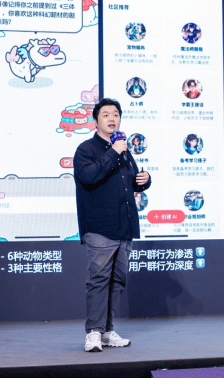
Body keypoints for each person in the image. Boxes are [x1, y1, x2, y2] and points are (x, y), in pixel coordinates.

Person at [73, 98, 151, 352]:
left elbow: (131, 182)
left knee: (117, 281)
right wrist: (114, 152)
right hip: (99, 227)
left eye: (115, 114)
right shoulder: (86, 149)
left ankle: (107, 331)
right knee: (99, 280)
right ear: (96, 121)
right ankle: (93, 333)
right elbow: (89, 177)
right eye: (106, 114)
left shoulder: (124, 150)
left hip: (124, 227)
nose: (112, 118)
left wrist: (144, 180)